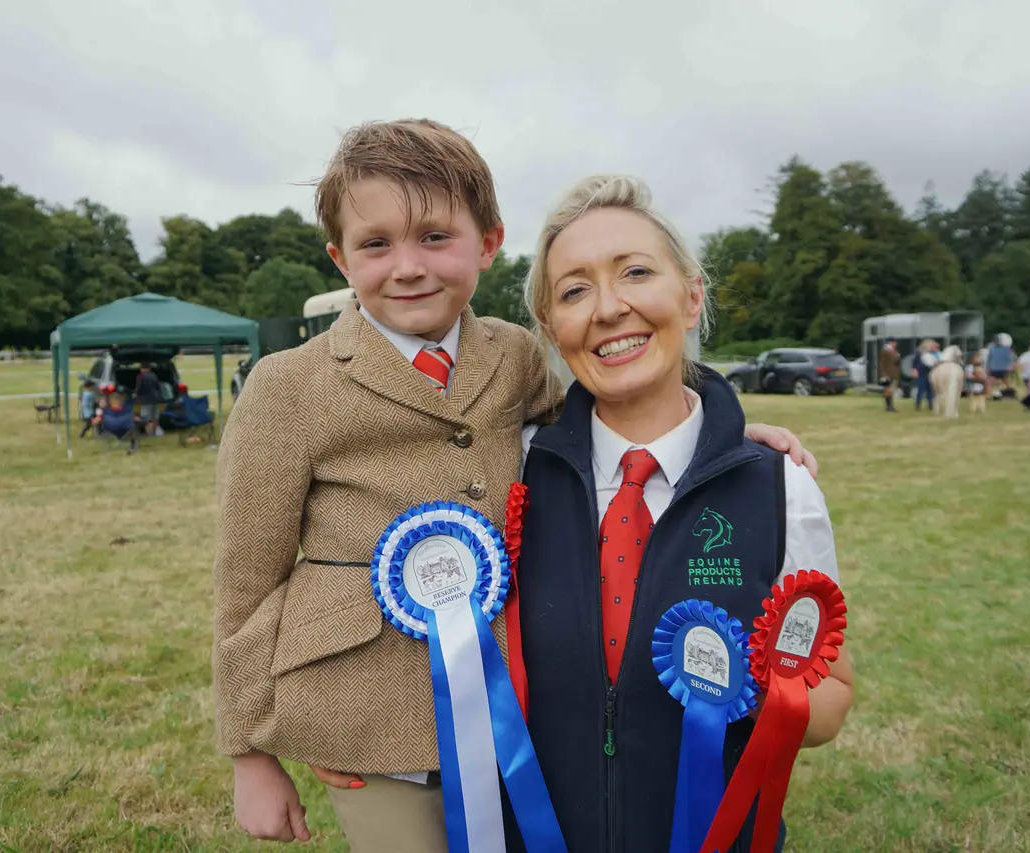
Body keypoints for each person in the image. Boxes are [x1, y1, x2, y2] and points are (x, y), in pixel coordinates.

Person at [210, 121, 816, 852]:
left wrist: (715, 438)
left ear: (489, 242)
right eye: (376, 244)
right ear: (340, 256)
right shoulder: (287, 387)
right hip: (371, 729)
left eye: (435, 236)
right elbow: (245, 580)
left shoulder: (518, 355)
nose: (407, 266)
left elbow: (597, 420)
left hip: (520, 717)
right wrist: (250, 751)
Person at [505, 175, 853, 853]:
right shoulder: (510, 469)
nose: (609, 307)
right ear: (552, 328)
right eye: (574, 290)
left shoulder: (780, 488)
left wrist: (736, 682)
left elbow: (830, 699)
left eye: (636, 271)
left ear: (692, 296)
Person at [133, 365, 163, 436]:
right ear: (149, 369)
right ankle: (155, 432)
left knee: (146, 419)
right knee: (155, 418)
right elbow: (158, 387)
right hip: (156, 399)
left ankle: (149, 434)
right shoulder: (154, 375)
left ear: (141, 369)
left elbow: (139, 388)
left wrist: (135, 395)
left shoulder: (140, 376)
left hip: (146, 400)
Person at [912, 339, 939, 412]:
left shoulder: (933, 354)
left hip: (929, 372)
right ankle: (918, 405)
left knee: (930, 390)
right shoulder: (919, 353)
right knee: (921, 389)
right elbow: (914, 362)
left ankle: (930, 405)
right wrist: (915, 370)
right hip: (921, 373)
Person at [985, 334, 1015, 398]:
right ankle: (988, 395)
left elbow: (1009, 358)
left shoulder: (1005, 348)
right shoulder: (992, 348)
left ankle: (1010, 394)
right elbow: (989, 359)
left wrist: (1009, 366)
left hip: (1003, 369)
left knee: (1006, 382)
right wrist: (988, 368)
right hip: (994, 368)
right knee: (989, 382)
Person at [878, 337, 900, 412]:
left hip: (893, 373)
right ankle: (889, 406)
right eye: (894, 342)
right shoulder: (885, 350)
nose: (896, 344)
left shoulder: (893, 350)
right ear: (891, 342)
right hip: (888, 374)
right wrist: (884, 374)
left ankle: (890, 406)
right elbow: (882, 363)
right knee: (888, 390)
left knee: (891, 390)